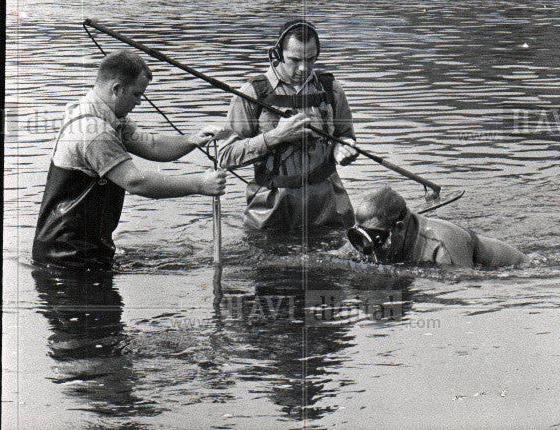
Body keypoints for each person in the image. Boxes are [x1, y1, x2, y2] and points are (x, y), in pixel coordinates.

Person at [32, 50, 226, 271]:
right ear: (116, 89)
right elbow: (135, 182)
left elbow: (151, 145)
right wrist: (200, 184)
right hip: (67, 257)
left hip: (81, 249)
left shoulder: (106, 115)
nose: (140, 102)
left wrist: (193, 140)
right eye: (136, 95)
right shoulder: (95, 132)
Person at [218, 19, 359, 233]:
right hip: (271, 210)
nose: (303, 68)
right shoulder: (253, 93)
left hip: (328, 207)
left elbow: (347, 136)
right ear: (278, 54)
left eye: (311, 59)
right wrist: (275, 136)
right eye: (294, 60)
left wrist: (345, 149)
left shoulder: (331, 88)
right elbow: (225, 156)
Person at [347, 187, 526, 268]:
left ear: (399, 229)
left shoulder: (441, 248)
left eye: (377, 240)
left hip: (517, 266)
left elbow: (463, 285)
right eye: (358, 237)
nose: (367, 250)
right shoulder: (372, 237)